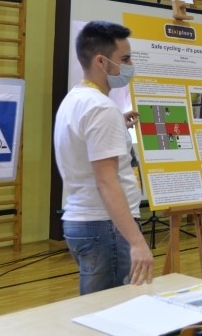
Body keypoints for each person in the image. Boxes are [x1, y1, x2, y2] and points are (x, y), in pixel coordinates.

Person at [54, 21, 153, 295]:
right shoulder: (101, 108)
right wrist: (137, 242)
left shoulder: (76, 100)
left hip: (86, 222)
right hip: (106, 226)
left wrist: (116, 122)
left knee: (99, 307)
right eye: (125, 59)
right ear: (101, 61)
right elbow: (106, 182)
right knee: (109, 310)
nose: (130, 65)